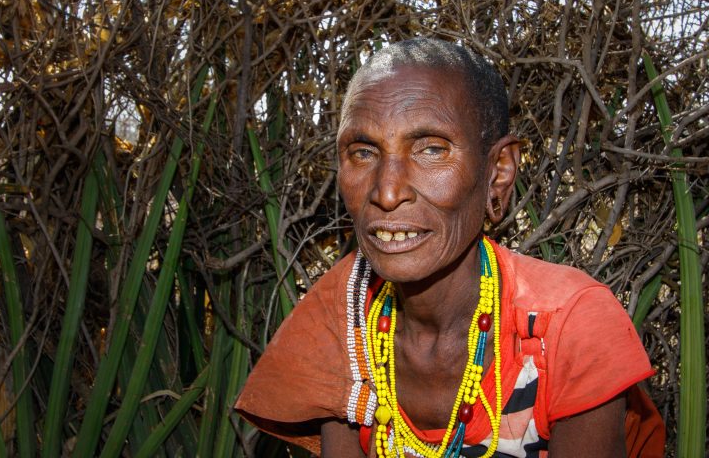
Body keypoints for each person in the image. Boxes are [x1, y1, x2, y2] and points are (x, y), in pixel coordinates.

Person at [235, 38, 661, 457]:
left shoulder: (568, 325)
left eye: (431, 149)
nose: (386, 192)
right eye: (364, 152)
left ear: (498, 172)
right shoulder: (344, 316)